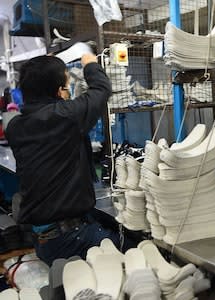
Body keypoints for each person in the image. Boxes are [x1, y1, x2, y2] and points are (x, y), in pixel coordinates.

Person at [5, 54, 132, 266]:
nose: (69, 93)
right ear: (57, 91)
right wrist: (90, 63)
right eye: (66, 86)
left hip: (45, 237)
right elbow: (101, 91)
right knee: (138, 253)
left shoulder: (16, 127)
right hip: (71, 239)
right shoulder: (63, 116)